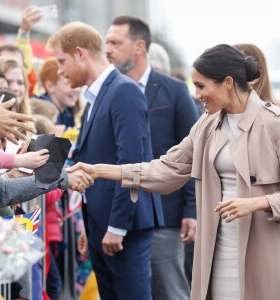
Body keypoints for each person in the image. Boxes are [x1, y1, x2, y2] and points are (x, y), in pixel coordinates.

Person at [68, 44, 280, 300]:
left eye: (202, 86)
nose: (197, 94)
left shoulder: (273, 124)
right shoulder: (206, 124)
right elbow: (166, 168)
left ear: (227, 82)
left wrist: (259, 203)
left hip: (265, 254)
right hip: (216, 251)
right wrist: (100, 170)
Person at [47, 21, 164, 300]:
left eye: (62, 61)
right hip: (103, 226)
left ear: (80, 53)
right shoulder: (97, 96)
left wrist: (116, 226)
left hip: (124, 229)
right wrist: (92, 226)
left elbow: (131, 165)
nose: (60, 71)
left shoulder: (123, 91)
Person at [105, 15, 198, 299]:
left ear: (139, 46)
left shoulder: (174, 90)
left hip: (166, 217)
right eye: (106, 42)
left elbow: (194, 153)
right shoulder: (108, 93)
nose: (107, 49)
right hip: (120, 218)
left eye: (115, 42)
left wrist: (191, 210)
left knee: (169, 291)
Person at [38, 57, 80, 128]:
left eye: (77, 83)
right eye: (69, 83)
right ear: (50, 86)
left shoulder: (68, 112)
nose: (76, 89)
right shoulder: (42, 117)